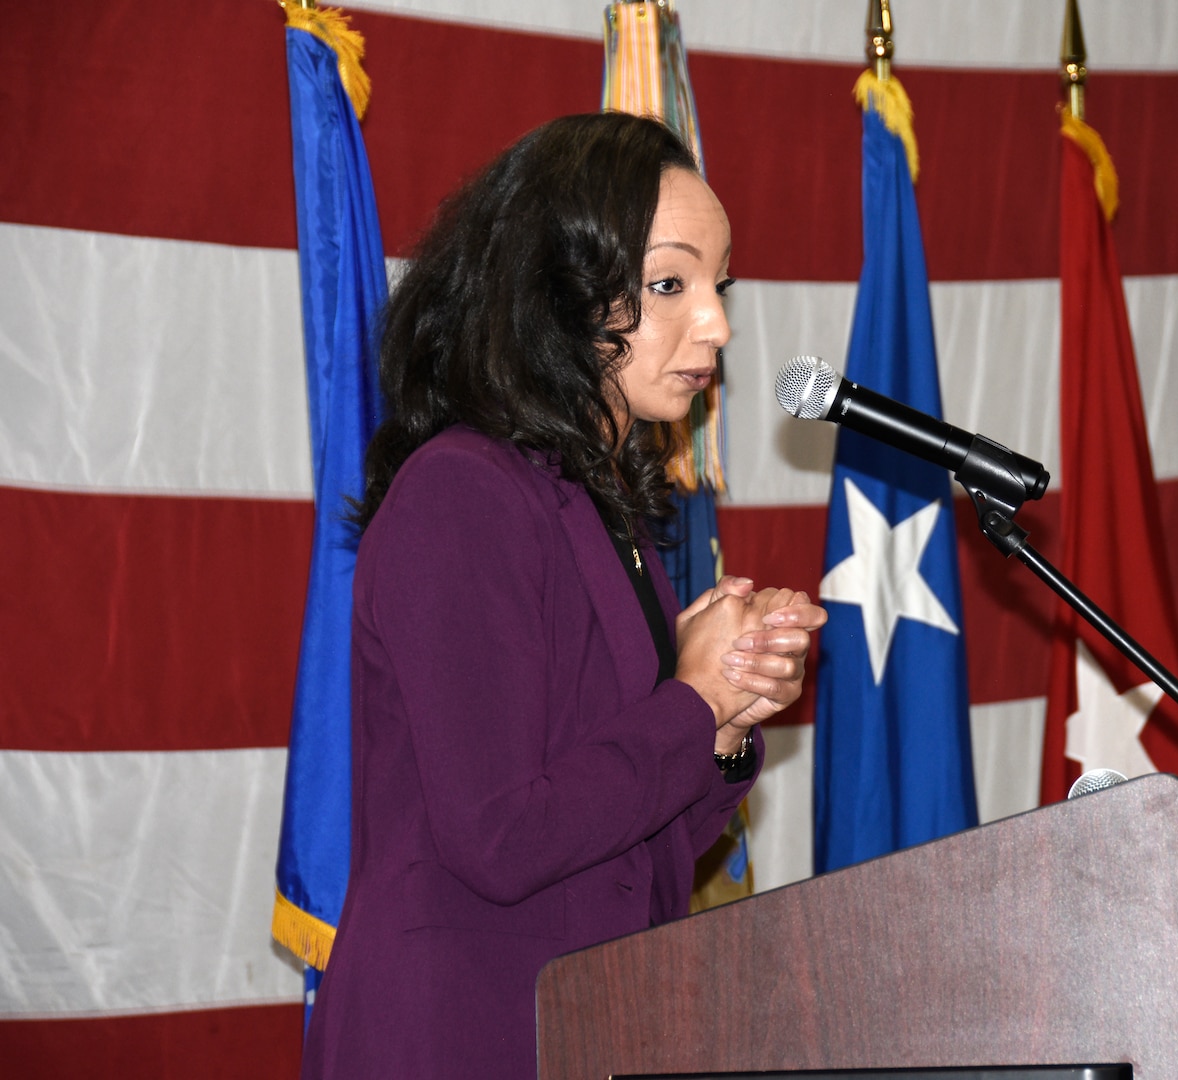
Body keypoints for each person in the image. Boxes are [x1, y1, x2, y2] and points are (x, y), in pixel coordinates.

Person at [299, 112, 826, 1080]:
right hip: (463, 1032)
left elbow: (629, 851)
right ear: (555, 295)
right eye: (669, 283)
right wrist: (693, 699)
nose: (716, 323)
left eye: (719, 284)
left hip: (591, 1022)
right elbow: (502, 837)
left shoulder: (596, 502)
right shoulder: (464, 490)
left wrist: (724, 719)